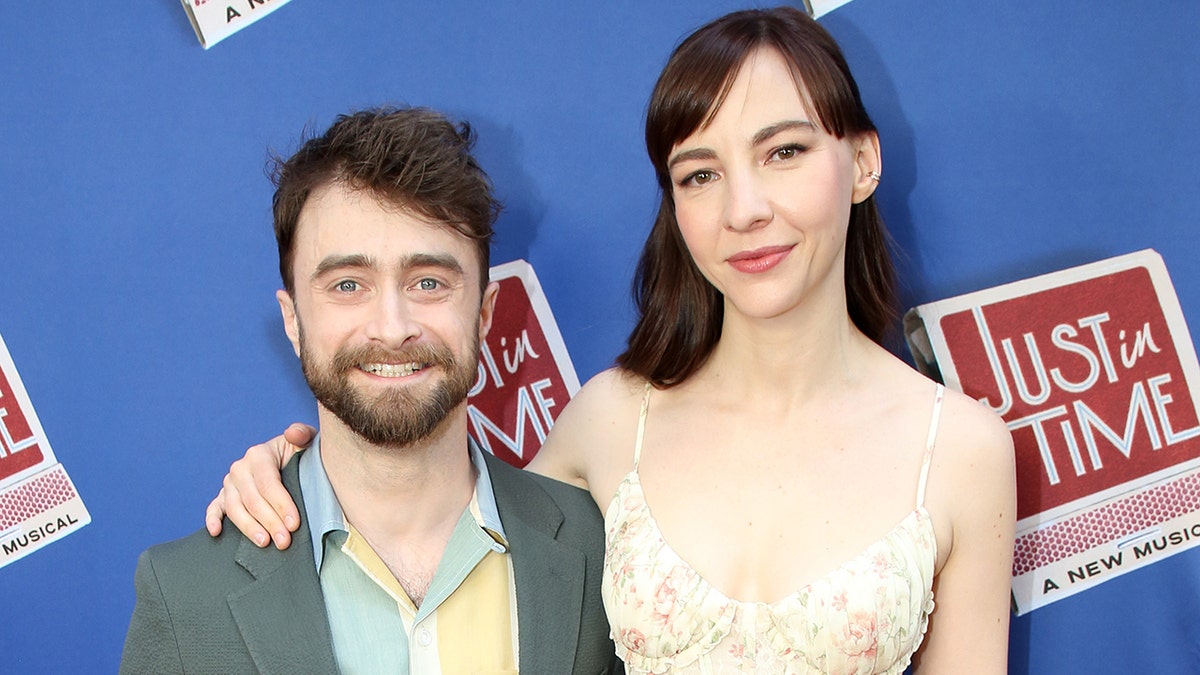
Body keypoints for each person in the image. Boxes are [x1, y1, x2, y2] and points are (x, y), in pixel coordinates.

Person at [207, 8, 1016, 673]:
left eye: (785, 152)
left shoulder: (962, 449)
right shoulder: (609, 419)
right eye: (700, 173)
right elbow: (436, 535)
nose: (745, 209)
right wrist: (286, 477)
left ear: (864, 162)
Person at [121, 107, 617, 674]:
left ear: (484, 315)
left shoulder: (594, 543)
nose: (391, 326)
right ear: (292, 320)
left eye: (428, 282)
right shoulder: (186, 597)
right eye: (348, 285)